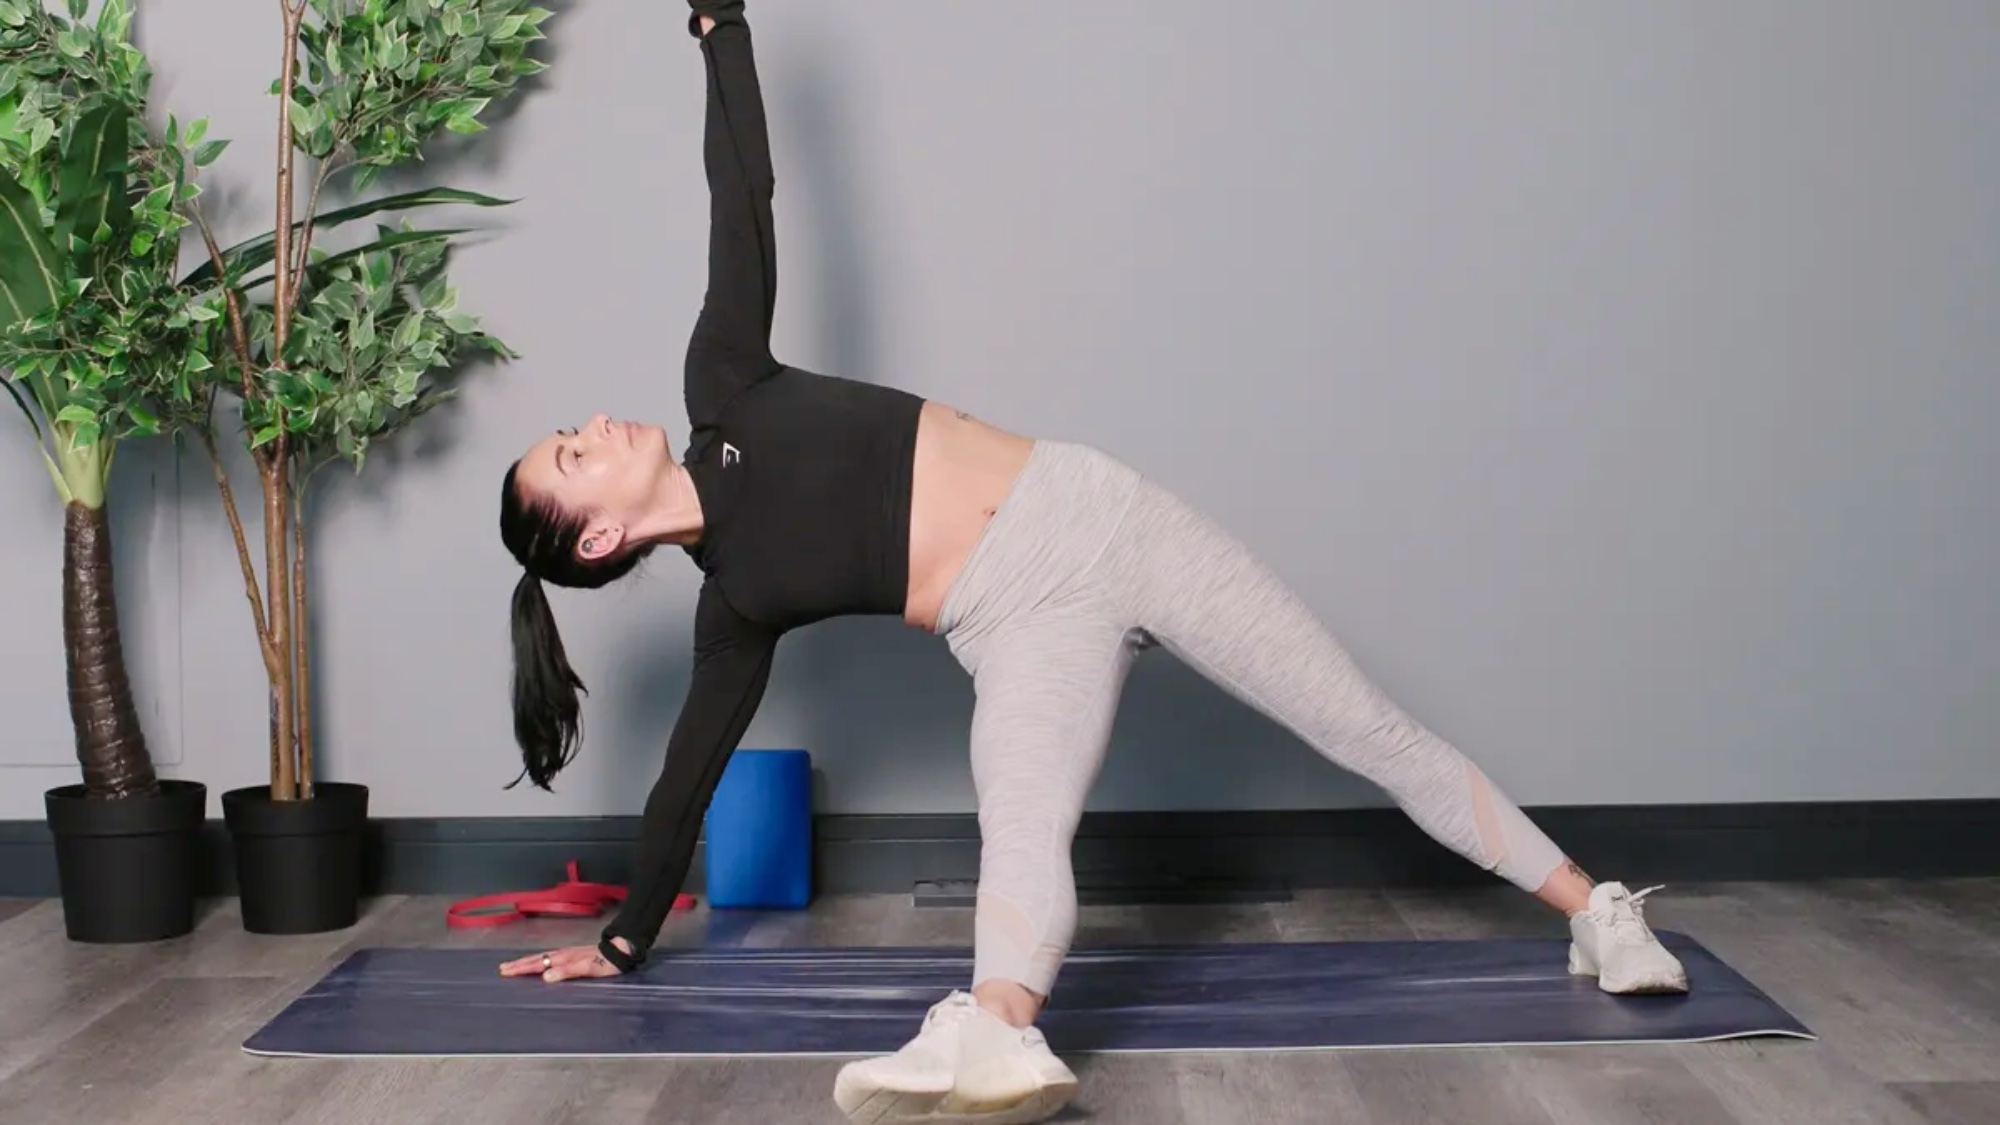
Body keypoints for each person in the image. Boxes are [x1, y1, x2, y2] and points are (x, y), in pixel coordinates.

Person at [494, 3, 1690, 1122]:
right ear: (597, 535)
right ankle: (995, 1030)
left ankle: (1596, 911)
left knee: (1365, 728)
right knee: (1018, 820)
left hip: (1102, 515)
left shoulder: (724, 384)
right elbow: (681, 781)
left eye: (571, 428)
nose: (590, 427)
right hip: (1013, 623)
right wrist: (620, 939)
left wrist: (719, 22)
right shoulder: (737, 607)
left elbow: (740, 195)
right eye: (569, 454)